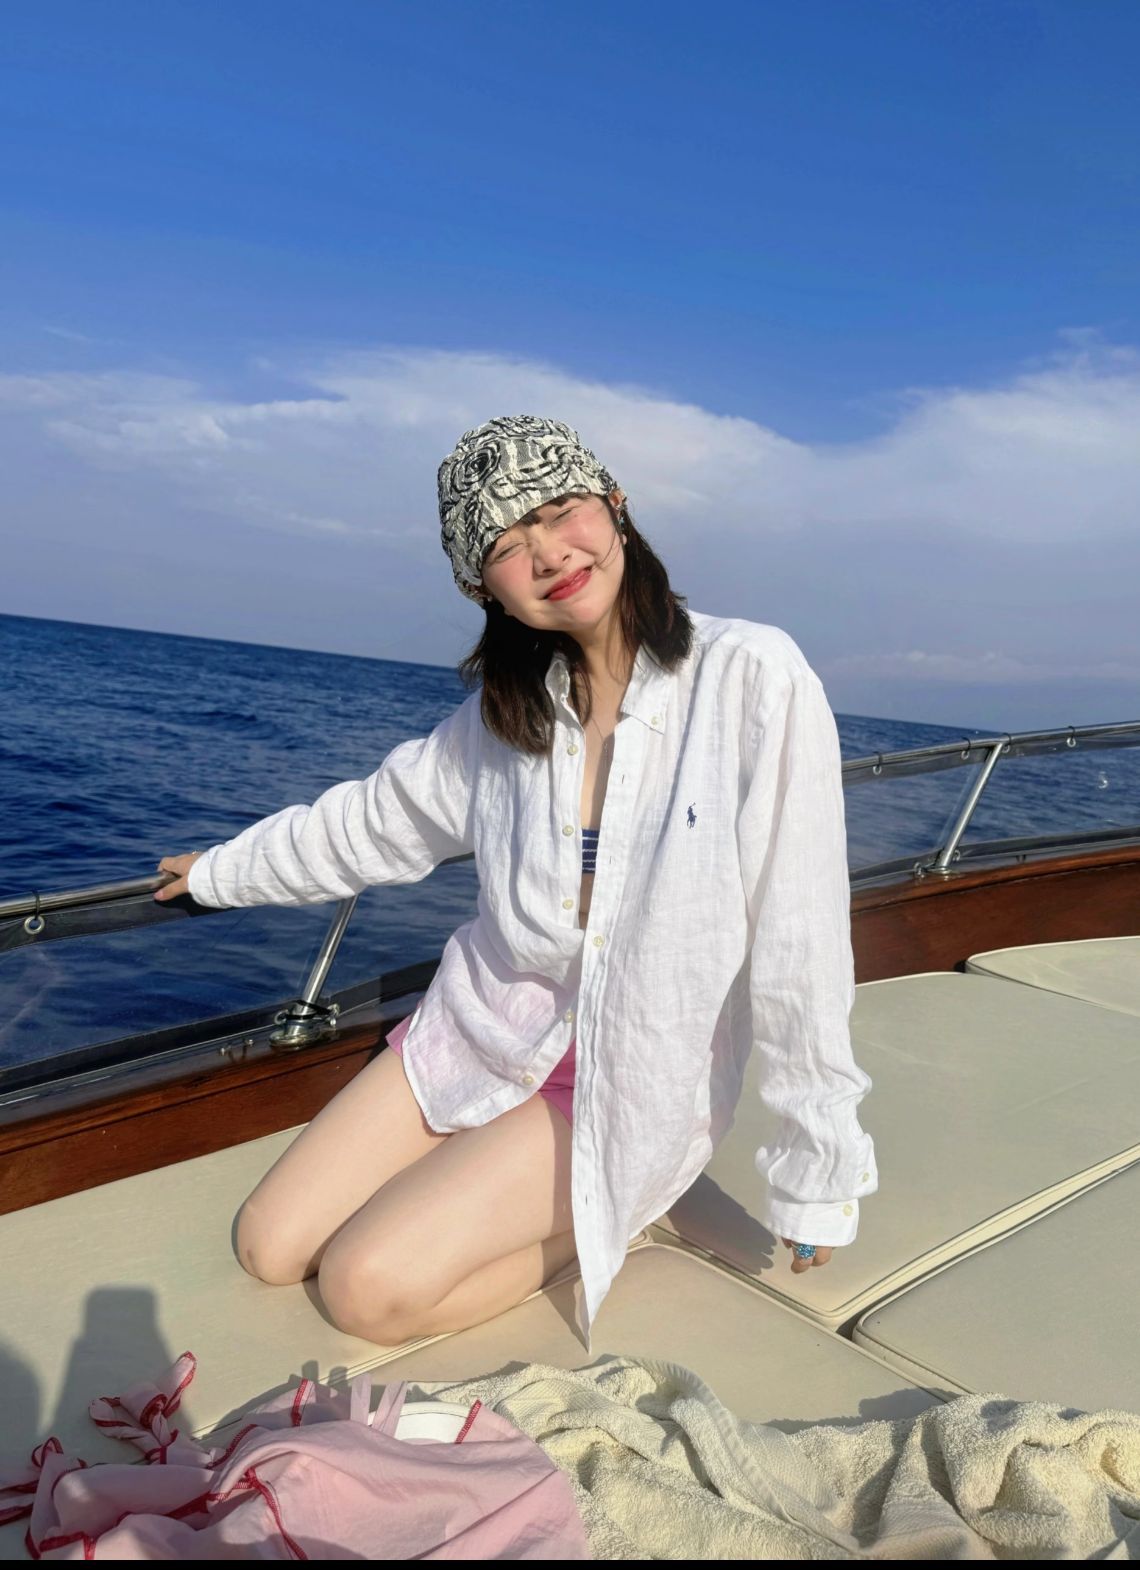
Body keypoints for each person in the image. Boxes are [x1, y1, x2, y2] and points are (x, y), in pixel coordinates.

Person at [154, 414, 877, 1350]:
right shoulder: (505, 718)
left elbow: (800, 935)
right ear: (480, 585)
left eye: (560, 509)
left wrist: (818, 1164)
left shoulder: (751, 677)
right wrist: (219, 873)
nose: (549, 552)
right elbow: (371, 822)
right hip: (482, 1029)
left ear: (615, 505)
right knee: (270, 1246)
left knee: (365, 1288)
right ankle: (568, 1193)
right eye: (505, 543)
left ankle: (620, 1211)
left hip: (631, 1072)